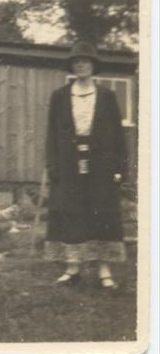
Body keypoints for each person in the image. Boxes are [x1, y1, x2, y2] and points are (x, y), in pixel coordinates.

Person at [44, 41, 127, 290]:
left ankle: (104, 269)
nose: (81, 65)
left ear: (93, 67)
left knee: (101, 211)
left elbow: (118, 136)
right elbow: (52, 134)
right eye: (77, 62)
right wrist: (52, 165)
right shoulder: (60, 97)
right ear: (72, 67)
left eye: (86, 62)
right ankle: (72, 268)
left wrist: (120, 168)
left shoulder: (107, 96)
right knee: (70, 211)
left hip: (101, 163)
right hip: (68, 163)